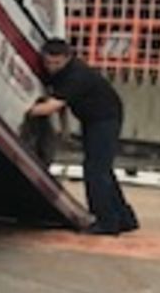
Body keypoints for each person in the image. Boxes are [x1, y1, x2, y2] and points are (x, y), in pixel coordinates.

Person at [28, 38, 138, 235]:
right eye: (48, 63)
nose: (52, 68)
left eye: (57, 63)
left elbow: (52, 106)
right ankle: (124, 218)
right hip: (91, 119)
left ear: (68, 58)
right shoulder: (60, 73)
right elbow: (58, 100)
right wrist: (64, 129)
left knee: (95, 170)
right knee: (103, 168)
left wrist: (26, 110)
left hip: (105, 118)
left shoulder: (77, 75)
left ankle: (106, 222)